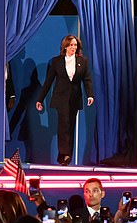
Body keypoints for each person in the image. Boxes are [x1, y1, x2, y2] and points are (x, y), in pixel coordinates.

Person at [35, 34, 94, 166]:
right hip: (60, 98)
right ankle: (64, 153)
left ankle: (67, 155)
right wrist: (40, 99)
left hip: (75, 98)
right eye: (71, 45)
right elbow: (48, 82)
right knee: (63, 124)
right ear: (65, 46)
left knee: (70, 125)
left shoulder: (83, 61)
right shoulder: (56, 61)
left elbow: (87, 80)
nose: (74, 47)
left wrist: (90, 95)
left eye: (75, 45)